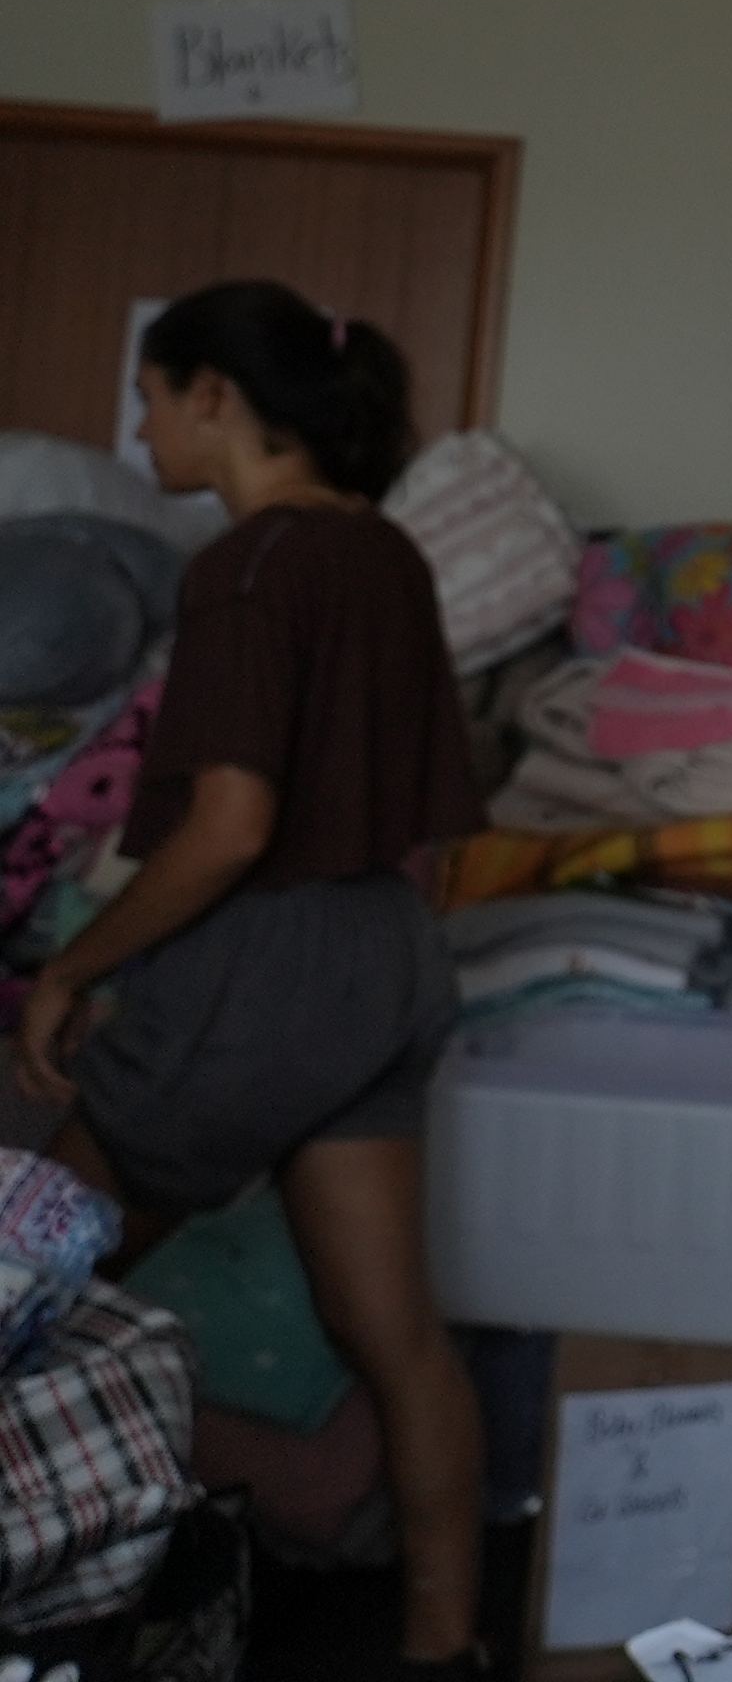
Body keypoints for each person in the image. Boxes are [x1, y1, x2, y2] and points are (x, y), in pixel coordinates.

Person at [13, 281, 488, 1675]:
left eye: (153, 396)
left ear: (215, 394)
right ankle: (442, 1646)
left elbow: (230, 825)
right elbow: (433, 823)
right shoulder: (384, 555)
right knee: (394, 1333)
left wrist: (74, 969)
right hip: (388, 958)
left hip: (268, 959)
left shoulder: (247, 566)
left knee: (20, 1275)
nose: (142, 429)